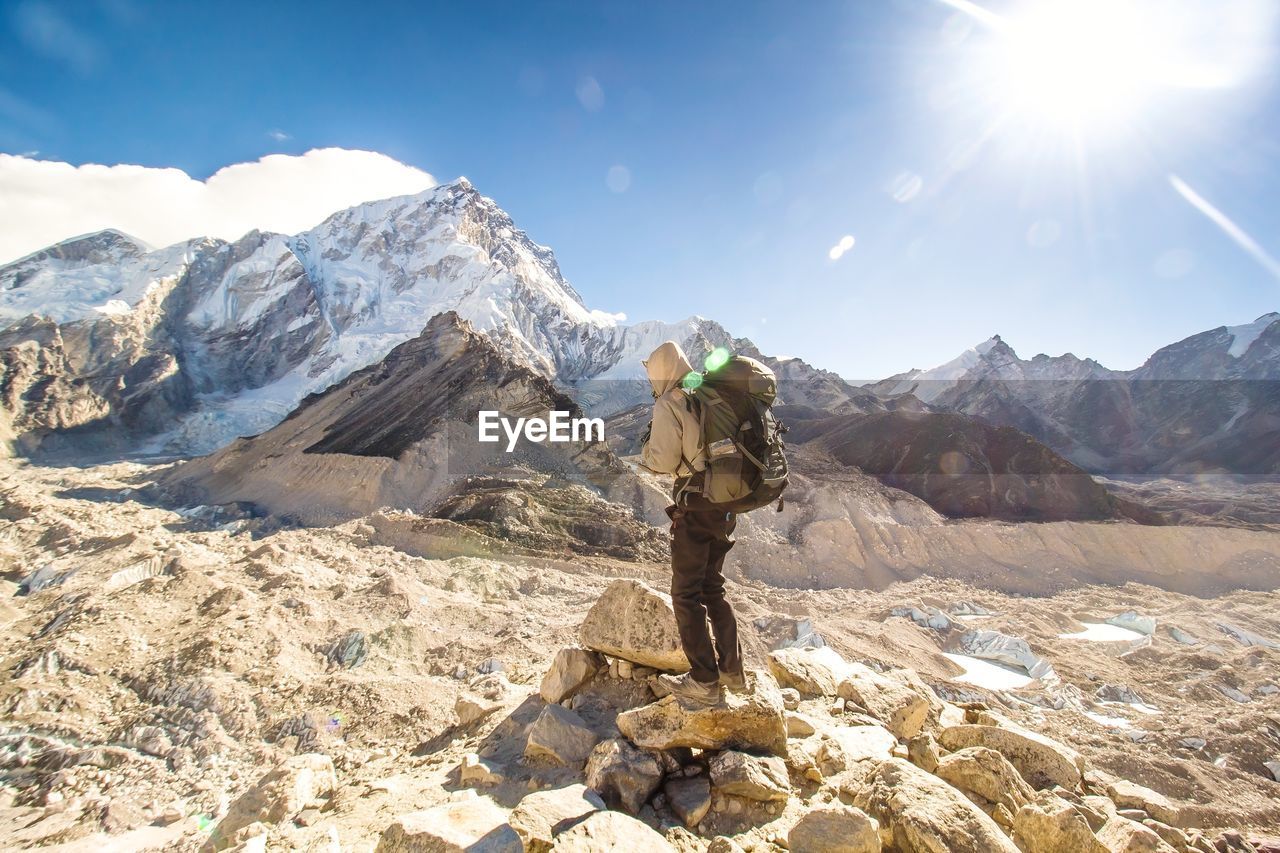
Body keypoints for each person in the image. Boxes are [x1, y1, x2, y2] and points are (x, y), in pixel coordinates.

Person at [640, 341, 746, 706]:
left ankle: (704, 680)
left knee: (686, 594)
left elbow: (664, 460)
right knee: (712, 588)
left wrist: (646, 453)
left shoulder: (671, 401)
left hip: (696, 506)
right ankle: (733, 671)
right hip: (726, 506)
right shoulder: (708, 392)